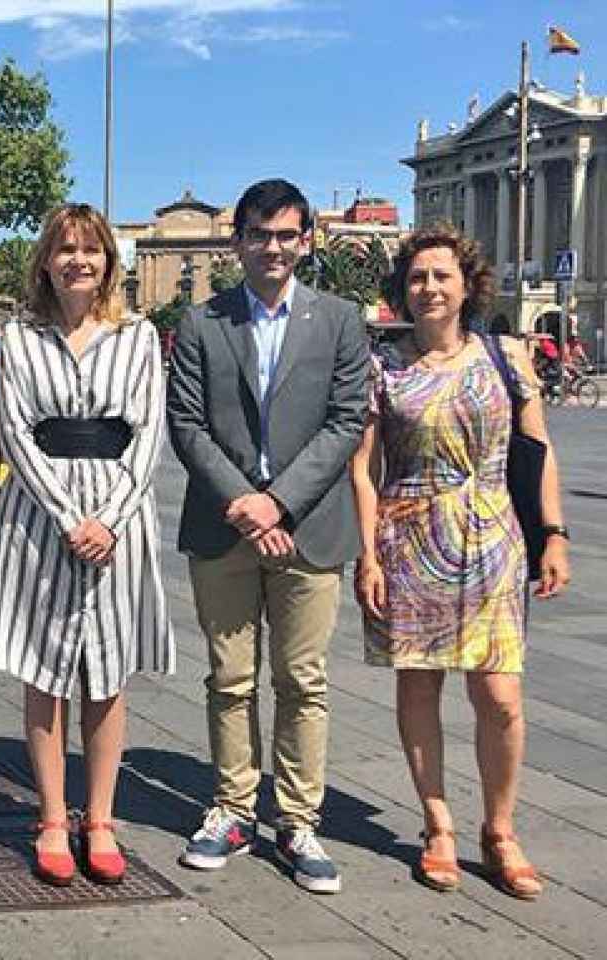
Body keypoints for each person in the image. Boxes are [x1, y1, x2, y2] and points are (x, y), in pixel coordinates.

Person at [348, 225, 570, 899]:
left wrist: (553, 533)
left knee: (500, 696)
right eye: (417, 277)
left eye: (441, 276)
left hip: (494, 539)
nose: (429, 288)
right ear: (403, 289)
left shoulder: (506, 357)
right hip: (409, 539)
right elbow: (364, 470)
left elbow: (538, 451)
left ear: (466, 283)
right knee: (419, 688)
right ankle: (437, 823)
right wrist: (367, 556)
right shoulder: (383, 367)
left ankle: (499, 830)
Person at [166, 179, 370, 894]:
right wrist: (244, 502)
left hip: (310, 527)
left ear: (306, 240)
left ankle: (297, 818)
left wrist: (278, 502)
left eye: (286, 234)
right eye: (259, 233)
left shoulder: (340, 319)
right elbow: (185, 423)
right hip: (222, 527)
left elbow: (348, 420)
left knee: (302, 679)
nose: (273, 247)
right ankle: (230, 809)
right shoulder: (202, 323)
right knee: (230, 676)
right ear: (238, 241)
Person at [0, 203, 175, 886]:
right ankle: (51, 817)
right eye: (65, 249)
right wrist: (68, 514)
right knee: (45, 672)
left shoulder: (140, 337)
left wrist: (112, 516)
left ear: (108, 262)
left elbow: (150, 433)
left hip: (119, 520)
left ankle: (100, 817)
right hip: (44, 517)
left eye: (90, 251)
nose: (78, 261)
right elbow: (15, 432)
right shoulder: (19, 337)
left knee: (108, 671)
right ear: (45, 260)